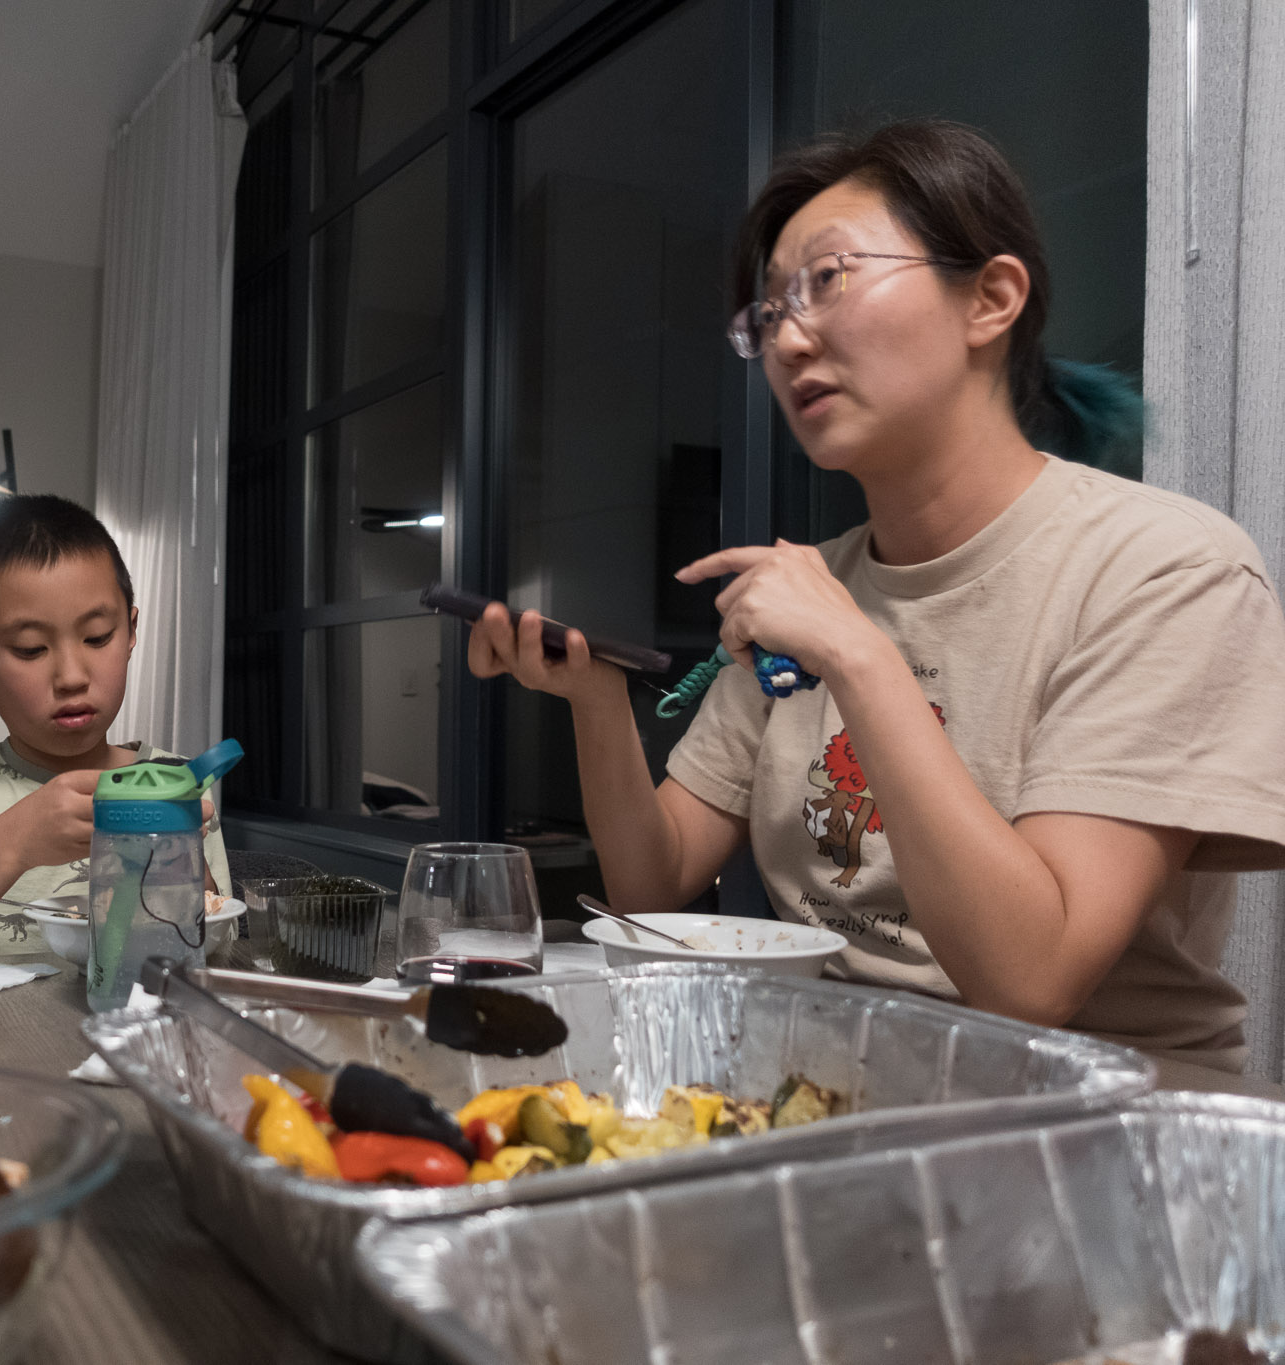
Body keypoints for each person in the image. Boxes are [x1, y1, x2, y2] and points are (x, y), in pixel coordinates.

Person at [469, 120, 1285, 1091]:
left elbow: (1029, 981)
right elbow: (653, 885)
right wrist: (594, 701)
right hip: (838, 1094)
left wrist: (857, 658)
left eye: (828, 277)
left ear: (990, 297)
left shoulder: (1161, 570)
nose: (790, 335)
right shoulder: (807, 590)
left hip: (1091, 1142)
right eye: (766, 312)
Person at [0, 494, 229, 953]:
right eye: (30, 648)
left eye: (96, 637)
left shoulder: (175, 780)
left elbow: (218, 947)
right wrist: (11, 844)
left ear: (130, 633)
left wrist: (180, 863)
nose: (71, 676)